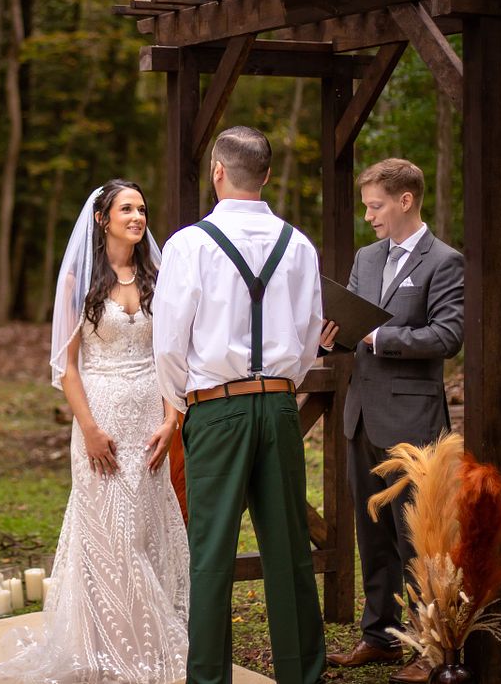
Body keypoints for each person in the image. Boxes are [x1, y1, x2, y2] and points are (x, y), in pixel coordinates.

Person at [0, 179, 189, 684]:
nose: (138, 217)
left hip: (149, 419)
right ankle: (109, 649)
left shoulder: (157, 276)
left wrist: (171, 418)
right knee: (108, 535)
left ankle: (149, 644)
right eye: (127, 209)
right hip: (100, 419)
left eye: (142, 208)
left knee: (144, 530)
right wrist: (90, 429)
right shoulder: (79, 279)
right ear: (103, 219)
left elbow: (168, 356)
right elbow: (66, 368)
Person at [154, 126, 325, 684]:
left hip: (215, 406)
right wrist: (279, 387)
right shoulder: (298, 245)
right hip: (278, 405)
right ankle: (303, 676)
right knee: (290, 552)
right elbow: (306, 341)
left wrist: (187, 400)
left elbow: (169, 342)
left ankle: (208, 680)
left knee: (210, 554)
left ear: (218, 172)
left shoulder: (189, 244)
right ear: (268, 175)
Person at [324, 158, 464, 684]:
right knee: (373, 533)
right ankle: (380, 637)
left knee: (419, 539)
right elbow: (355, 325)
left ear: (406, 201)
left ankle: (430, 647)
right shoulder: (366, 257)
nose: (369, 216)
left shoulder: (445, 262)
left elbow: (447, 336)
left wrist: (379, 338)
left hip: (412, 419)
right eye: (366, 206)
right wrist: (333, 334)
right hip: (361, 416)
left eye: (376, 206)